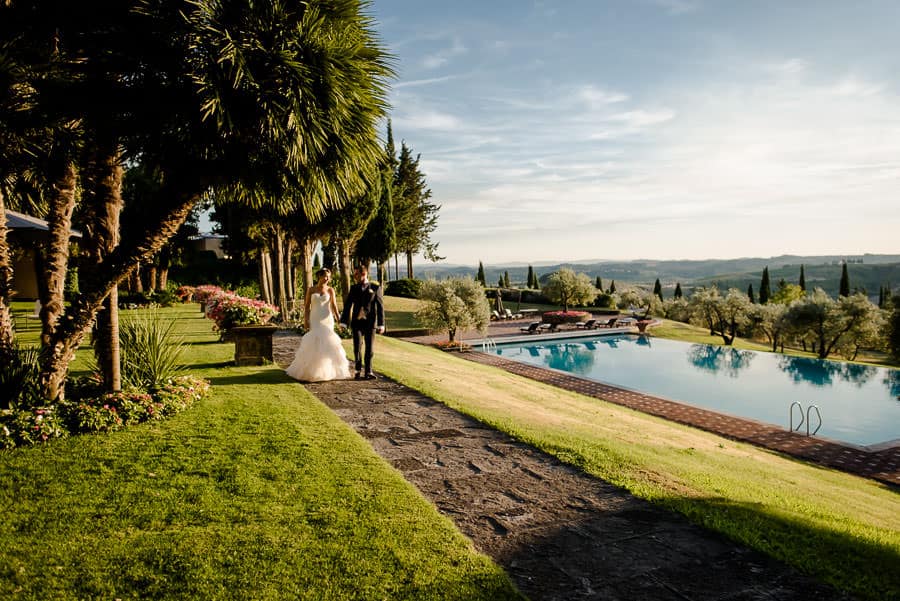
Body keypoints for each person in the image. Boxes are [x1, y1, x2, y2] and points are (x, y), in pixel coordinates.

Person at [285, 268, 351, 382]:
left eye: (329, 277)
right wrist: (306, 320)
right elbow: (306, 307)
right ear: (319, 276)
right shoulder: (311, 289)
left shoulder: (330, 290)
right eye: (325, 276)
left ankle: (328, 370)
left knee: (328, 342)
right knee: (314, 341)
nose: (327, 279)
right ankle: (311, 371)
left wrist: (339, 320)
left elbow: (334, 306)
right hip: (315, 319)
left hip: (327, 319)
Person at [340, 264, 385, 380]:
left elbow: (380, 307)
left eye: (356, 274)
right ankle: (358, 370)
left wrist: (381, 324)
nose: (354, 276)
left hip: (370, 323)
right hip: (357, 323)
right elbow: (347, 306)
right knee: (357, 347)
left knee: (369, 348)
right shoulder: (354, 288)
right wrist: (343, 322)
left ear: (363, 274)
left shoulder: (375, 288)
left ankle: (369, 371)